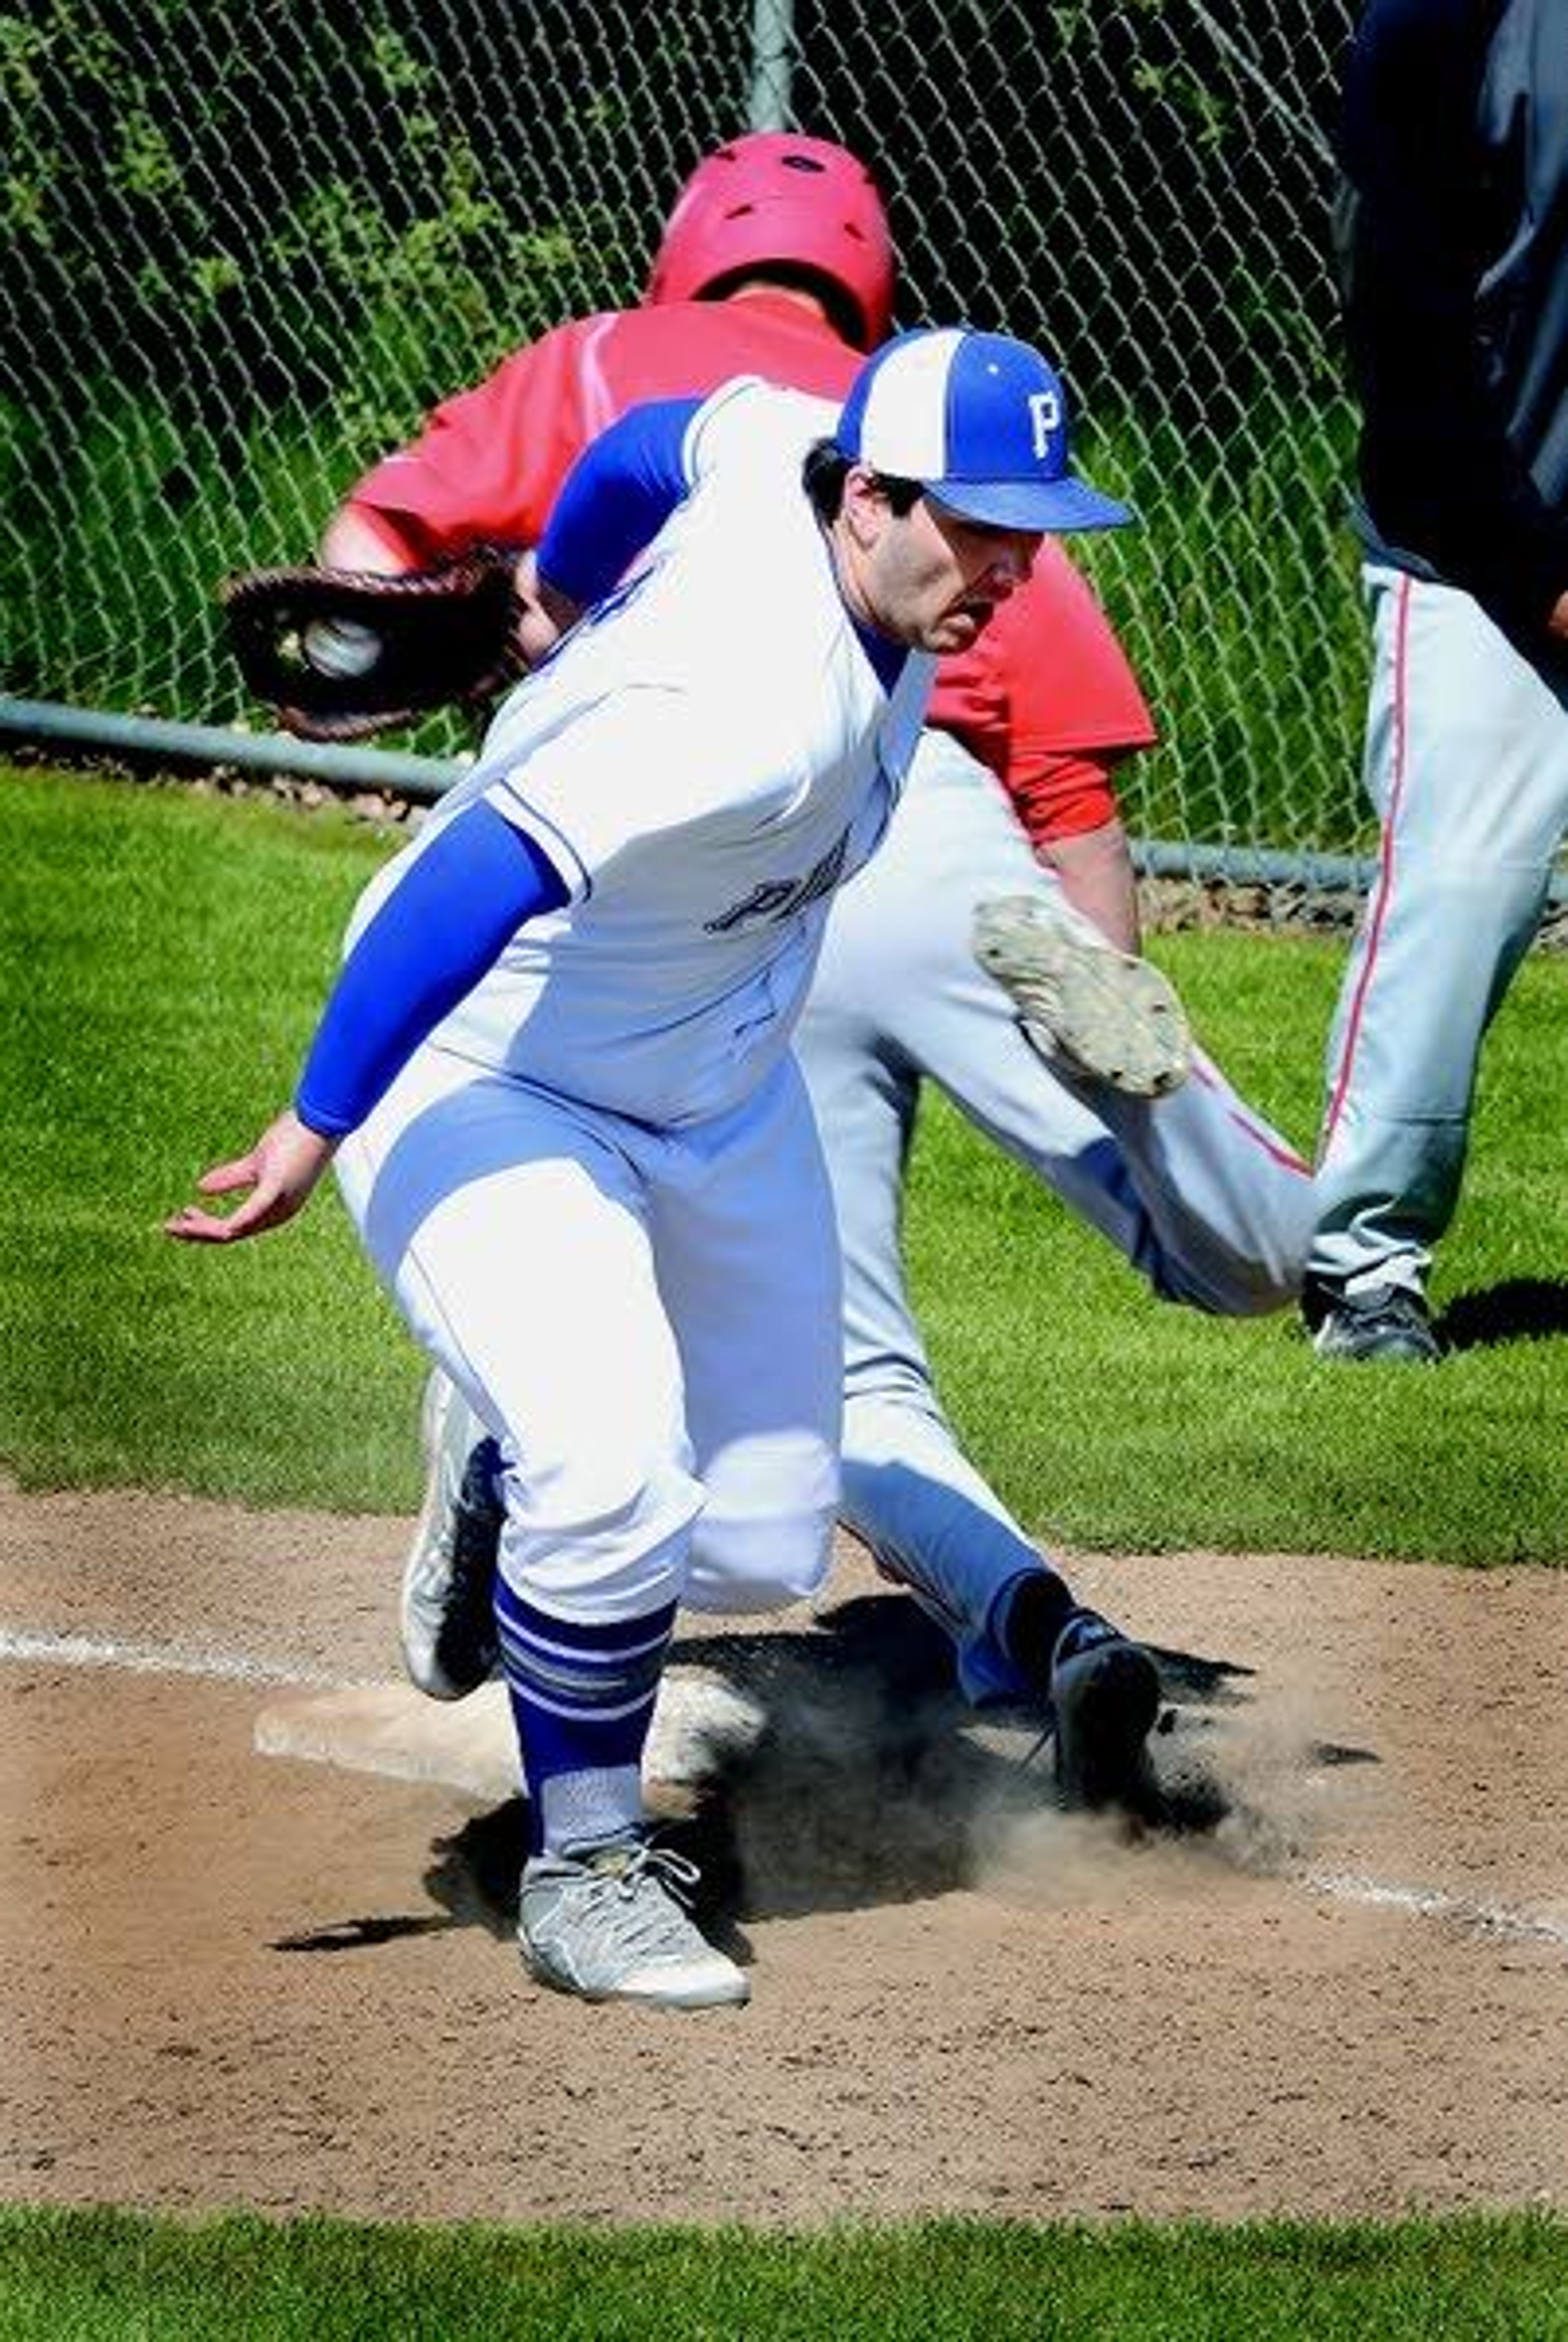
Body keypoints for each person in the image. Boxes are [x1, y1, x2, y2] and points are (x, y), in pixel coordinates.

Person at [168, 323, 1164, 2011]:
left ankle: (495, 1463)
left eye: (1032, 528)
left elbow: (657, 441)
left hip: (717, 1085)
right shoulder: (741, 702)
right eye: (978, 525)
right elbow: (466, 881)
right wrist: (314, 1122)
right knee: (618, 1476)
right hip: (489, 1077)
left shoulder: (797, 444)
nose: (1010, 564)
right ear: (871, 501)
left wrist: (556, 583)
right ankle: (589, 1868)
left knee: (765, 1540)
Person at [320, 134, 1315, 1729]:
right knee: (1240, 1250)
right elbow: (1073, 794)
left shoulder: (609, 363)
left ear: (688, 245)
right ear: (866, 275)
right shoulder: (953, 458)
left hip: (689, 889)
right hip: (937, 854)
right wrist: (1105, 978)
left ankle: (541, 1448)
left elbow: (369, 556)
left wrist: (488, 636)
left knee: (824, 1371)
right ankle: (1048, 1592)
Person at [1304, 0, 1568, 1363]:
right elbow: (1405, 338)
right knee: (1458, 900)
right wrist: (1539, 571)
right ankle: (1365, 1266)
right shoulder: (1439, 24)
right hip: (1478, 554)